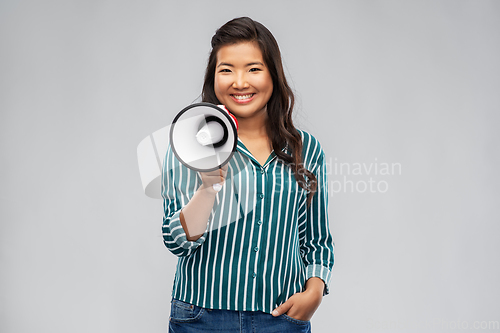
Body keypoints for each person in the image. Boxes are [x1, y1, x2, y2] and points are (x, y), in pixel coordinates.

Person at [161, 17, 334, 333]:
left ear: (273, 75)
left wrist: (315, 291)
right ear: (213, 77)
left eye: (253, 69)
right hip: (202, 319)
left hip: (281, 318)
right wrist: (209, 186)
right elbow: (176, 241)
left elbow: (316, 239)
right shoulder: (190, 143)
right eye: (226, 70)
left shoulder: (307, 149)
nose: (239, 82)